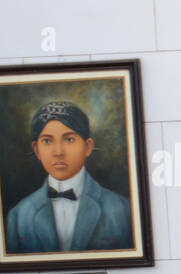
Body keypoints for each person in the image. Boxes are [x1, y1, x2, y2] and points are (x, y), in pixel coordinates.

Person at [5, 101, 134, 253]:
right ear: (37, 150)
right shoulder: (19, 215)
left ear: (88, 147)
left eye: (69, 139)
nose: (58, 152)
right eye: (47, 141)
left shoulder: (123, 211)